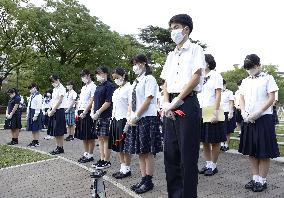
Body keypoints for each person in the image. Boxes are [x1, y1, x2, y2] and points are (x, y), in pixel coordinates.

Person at [160, 14, 205, 198]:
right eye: (171, 28)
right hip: (169, 105)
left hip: (186, 104)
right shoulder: (171, 55)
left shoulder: (196, 50)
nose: (173, 31)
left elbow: (196, 77)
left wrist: (177, 101)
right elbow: (165, 82)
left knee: (187, 157)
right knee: (170, 155)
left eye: (176, 27)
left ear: (186, 29)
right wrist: (166, 102)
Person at [238, 54, 279, 192]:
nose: (250, 70)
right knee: (252, 150)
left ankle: (263, 180)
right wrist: (243, 111)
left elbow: (271, 98)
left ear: (258, 65)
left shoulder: (268, 78)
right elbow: (241, 97)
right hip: (248, 119)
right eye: (248, 68)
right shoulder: (245, 81)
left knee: (263, 151)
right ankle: (255, 178)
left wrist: (259, 111)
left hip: (263, 118)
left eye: (252, 67)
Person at [124, 54, 162, 194]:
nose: (135, 66)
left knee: (148, 151)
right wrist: (130, 117)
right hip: (136, 119)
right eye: (133, 64)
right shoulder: (135, 82)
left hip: (146, 118)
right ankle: (143, 178)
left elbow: (148, 99)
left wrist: (137, 115)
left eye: (137, 63)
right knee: (140, 151)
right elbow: (131, 102)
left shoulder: (149, 79)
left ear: (144, 63)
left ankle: (149, 181)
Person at [199, 54, 225, 176]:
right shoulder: (199, 75)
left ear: (208, 63)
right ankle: (208, 163)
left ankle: (214, 165)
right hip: (200, 109)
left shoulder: (216, 75)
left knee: (215, 140)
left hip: (213, 109)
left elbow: (218, 94)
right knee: (204, 140)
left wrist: (215, 112)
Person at [108, 67, 132, 178]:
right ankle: (122, 167)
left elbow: (131, 105)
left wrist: (128, 121)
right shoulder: (117, 90)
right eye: (114, 78)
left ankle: (127, 168)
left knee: (124, 145)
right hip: (115, 118)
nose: (116, 80)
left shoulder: (129, 88)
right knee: (118, 145)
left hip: (124, 119)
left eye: (117, 77)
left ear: (123, 76)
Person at [91, 66, 115, 169]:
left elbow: (108, 102)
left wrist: (99, 112)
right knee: (100, 138)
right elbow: (94, 100)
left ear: (105, 73)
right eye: (97, 74)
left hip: (106, 115)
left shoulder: (109, 85)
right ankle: (101, 159)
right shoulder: (98, 86)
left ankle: (106, 160)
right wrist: (93, 111)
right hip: (98, 116)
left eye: (100, 73)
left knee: (106, 138)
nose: (98, 76)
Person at [75, 69, 97, 163]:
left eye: (85, 76)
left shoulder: (93, 86)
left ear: (89, 75)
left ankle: (90, 155)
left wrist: (85, 111)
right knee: (83, 135)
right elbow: (80, 100)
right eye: (82, 76)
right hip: (81, 111)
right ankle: (86, 153)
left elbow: (92, 100)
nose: (83, 78)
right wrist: (78, 110)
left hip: (88, 112)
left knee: (90, 135)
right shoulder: (84, 87)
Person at [47, 74, 67, 155]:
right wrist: (50, 109)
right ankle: (58, 147)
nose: (53, 83)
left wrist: (53, 110)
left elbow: (60, 100)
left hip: (59, 110)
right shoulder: (55, 89)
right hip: (54, 110)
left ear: (58, 79)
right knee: (55, 130)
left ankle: (61, 147)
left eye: (53, 81)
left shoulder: (62, 88)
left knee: (59, 130)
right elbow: (53, 100)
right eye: (52, 82)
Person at [220, 79, 236, 151]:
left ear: (225, 85)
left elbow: (231, 103)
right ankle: (221, 144)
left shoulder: (229, 92)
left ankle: (226, 145)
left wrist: (231, 113)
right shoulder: (217, 92)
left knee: (227, 130)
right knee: (220, 129)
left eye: (223, 84)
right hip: (219, 112)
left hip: (227, 112)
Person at [26, 83, 43, 147]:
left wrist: (36, 115)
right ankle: (34, 140)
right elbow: (29, 105)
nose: (30, 90)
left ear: (35, 88)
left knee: (36, 128)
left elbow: (38, 106)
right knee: (32, 128)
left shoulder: (39, 95)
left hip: (36, 112)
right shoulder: (32, 95)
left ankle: (36, 141)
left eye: (31, 88)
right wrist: (28, 114)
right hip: (31, 111)